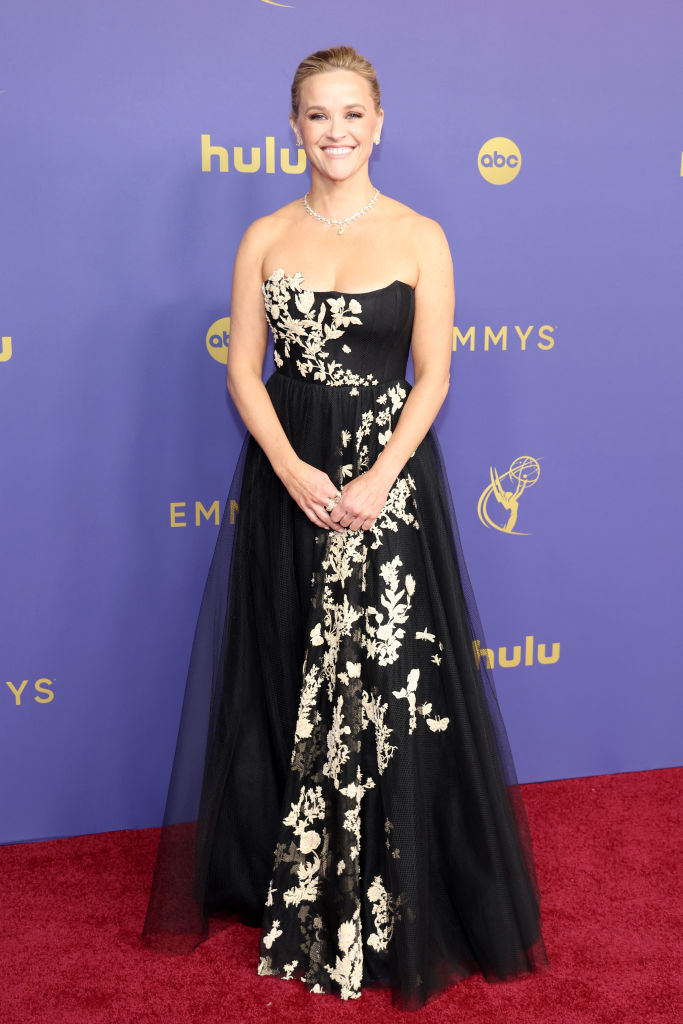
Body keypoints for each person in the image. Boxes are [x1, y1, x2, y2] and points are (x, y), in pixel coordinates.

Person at [141, 45, 550, 1010]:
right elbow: (245, 369)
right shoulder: (264, 238)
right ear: (294, 127)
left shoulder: (419, 235)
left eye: (351, 114)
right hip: (292, 477)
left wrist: (374, 477)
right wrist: (291, 468)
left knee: (388, 688)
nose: (335, 132)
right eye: (317, 116)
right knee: (290, 670)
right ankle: (294, 882)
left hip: (387, 482)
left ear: (379, 123)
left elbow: (433, 374)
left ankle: (404, 898)